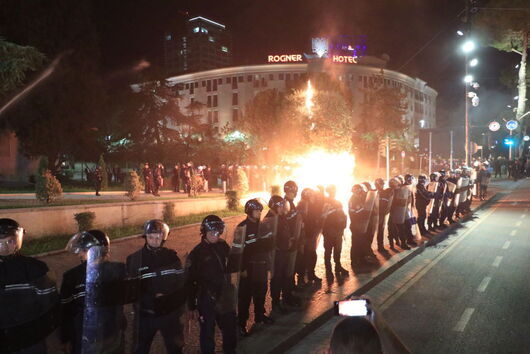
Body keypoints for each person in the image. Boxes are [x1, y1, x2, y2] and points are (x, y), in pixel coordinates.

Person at [60, 230, 127, 354]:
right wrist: (66, 338)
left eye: (84, 250)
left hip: (113, 334)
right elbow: (66, 311)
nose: (79, 253)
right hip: (84, 336)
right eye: (80, 249)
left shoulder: (119, 270)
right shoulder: (72, 277)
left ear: (99, 250)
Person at [126, 220, 185, 354]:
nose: (154, 240)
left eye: (158, 237)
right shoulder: (134, 259)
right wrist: (151, 299)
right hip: (146, 315)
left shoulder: (172, 257)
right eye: (151, 237)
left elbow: (180, 283)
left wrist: (177, 306)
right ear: (145, 237)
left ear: (164, 238)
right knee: (139, 349)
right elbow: (132, 291)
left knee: (176, 348)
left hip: (169, 314)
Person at [0, 218, 59, 353]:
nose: (4, 247)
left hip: (31, 336)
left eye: (10, 241)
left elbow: (50, 303)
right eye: (0, 242)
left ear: (18, 240)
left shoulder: (35, 268)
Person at [187, 215, 237, 354]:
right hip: (206, 298)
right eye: (212, 233)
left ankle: (230, 350)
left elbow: (230, 265)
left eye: (218, 233)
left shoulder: (223, 246)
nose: (215, 236)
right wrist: (191, 306)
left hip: (224, 294)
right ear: (204, 233)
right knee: (207, 331)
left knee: (229, 327)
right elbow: (190, 281)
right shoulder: (196, 253)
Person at [236, 199, 273, 337]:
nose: (259, 213)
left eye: (260, 211)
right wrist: (243, 268)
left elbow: (269, 245)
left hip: (261, 265)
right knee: (245, 297)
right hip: (249, 268)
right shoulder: (242, 228)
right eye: (257, 210)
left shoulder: (263, 226)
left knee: (261, 292)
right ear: (249, 211)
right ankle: (241, 324)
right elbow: (238, 252)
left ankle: (259, 316)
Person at [266, 195, 300, 314]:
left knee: (287, 276)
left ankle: (287, 298)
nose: (282, 209)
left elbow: (286, 231)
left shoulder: (281, 217)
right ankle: (275, 302)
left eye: (282, 206)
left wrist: (290, 239)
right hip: (277, 254)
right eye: (280, 206)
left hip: (285, 251)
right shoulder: (269, 219)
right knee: (277, 278)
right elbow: (270, 239)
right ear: (274, 207)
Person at [322, 185, 349, 277]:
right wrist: (328, 230)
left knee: (338, 251)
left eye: (334, 191)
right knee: (328, 251)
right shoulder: (325, 203)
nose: (333, 193)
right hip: (329, 232)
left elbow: (343, 215)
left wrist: (342, 227)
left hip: (338, 231)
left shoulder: (338, 203)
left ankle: (338, 266)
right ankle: (328, 270)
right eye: (332, 191)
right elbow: (323, 218)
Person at [374, 178, 393, 253]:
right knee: (371, 234)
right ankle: (369, 251)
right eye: (379, 184)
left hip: (382, 214)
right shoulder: (373, 193)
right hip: (374, 216)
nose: (381, 186)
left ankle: (380, 247)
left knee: (380, 231)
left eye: (382, 184)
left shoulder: (385, 192)